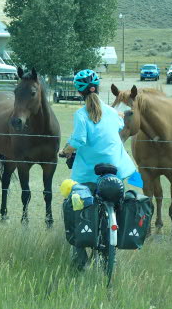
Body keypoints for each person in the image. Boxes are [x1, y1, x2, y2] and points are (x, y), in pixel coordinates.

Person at [58, 69, 136, 270]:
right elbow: (119, 125)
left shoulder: (81, 114)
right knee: (116, 201)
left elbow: (78, 141)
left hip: (89, 173)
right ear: (99, 88)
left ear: (78, 92)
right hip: (115, 171)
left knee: (77, 204)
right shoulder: (111, 112)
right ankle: (113, 236)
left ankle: (80, 254)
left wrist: (65, 151)